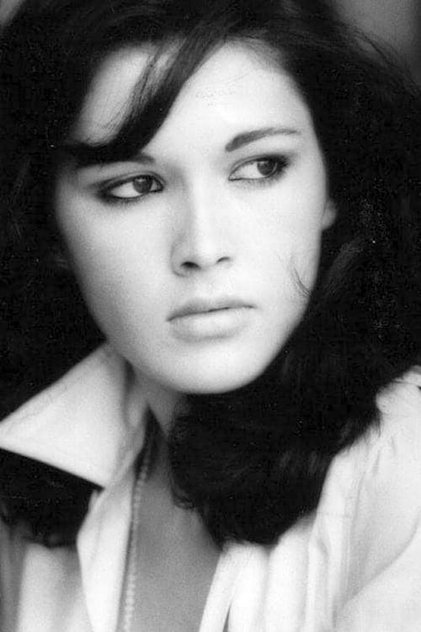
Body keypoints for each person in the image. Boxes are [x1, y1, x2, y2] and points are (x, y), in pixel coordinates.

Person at [0, 0, 420, 630]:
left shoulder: (405, 461)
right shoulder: (32, 467)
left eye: (259, 168)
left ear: (334, 185)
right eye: (133, 185)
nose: (203, 246)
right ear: (45, 223)